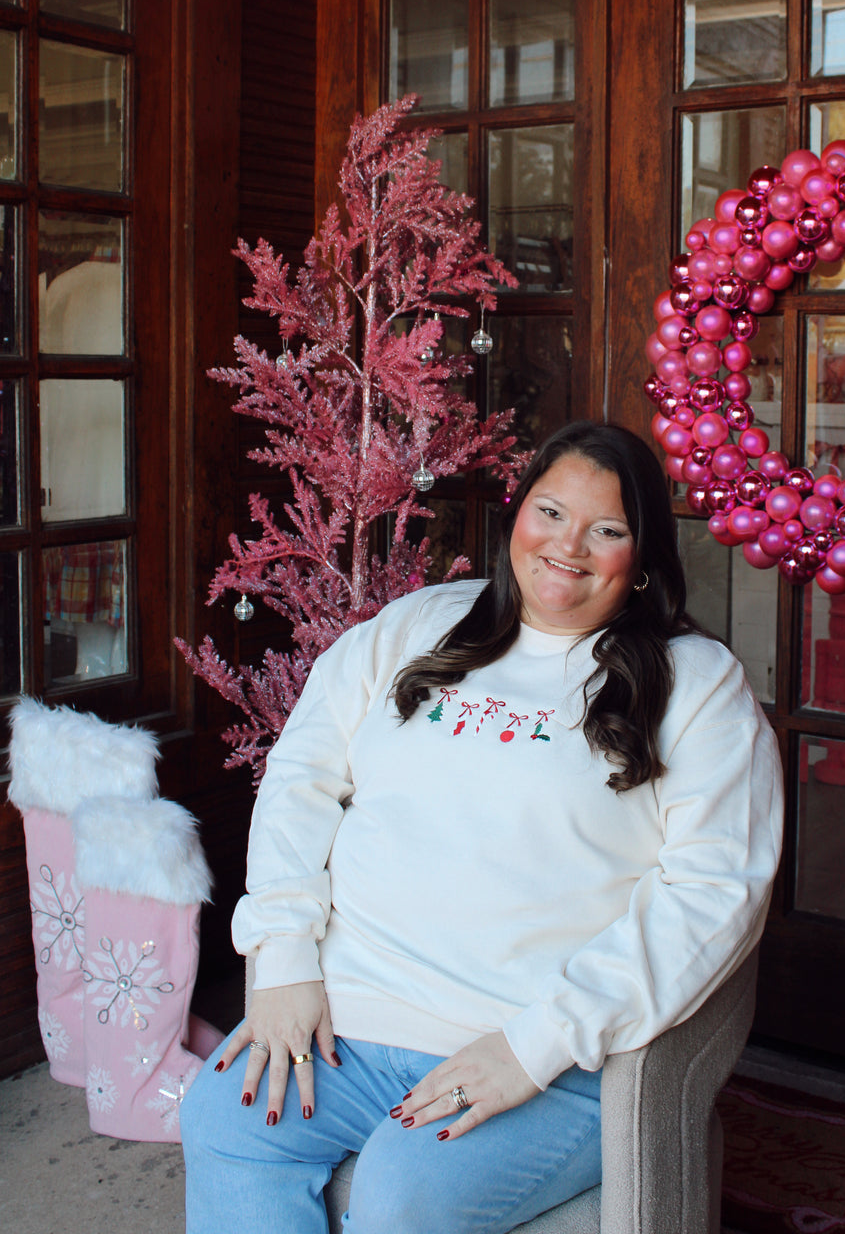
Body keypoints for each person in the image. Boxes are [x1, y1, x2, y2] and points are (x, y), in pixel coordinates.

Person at [181, 420, 783, 1234]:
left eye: (607, 530)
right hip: (350, 1021)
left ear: (642, 556)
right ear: (517, 516)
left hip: (538, 1051)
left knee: (402, 1190)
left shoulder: (698, 687)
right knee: (224, 1116)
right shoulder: (417, 625)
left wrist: (535, 1045)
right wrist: (284, 958)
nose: (567, 547)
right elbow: (301, 778)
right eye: (551, 513)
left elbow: (713, 891)